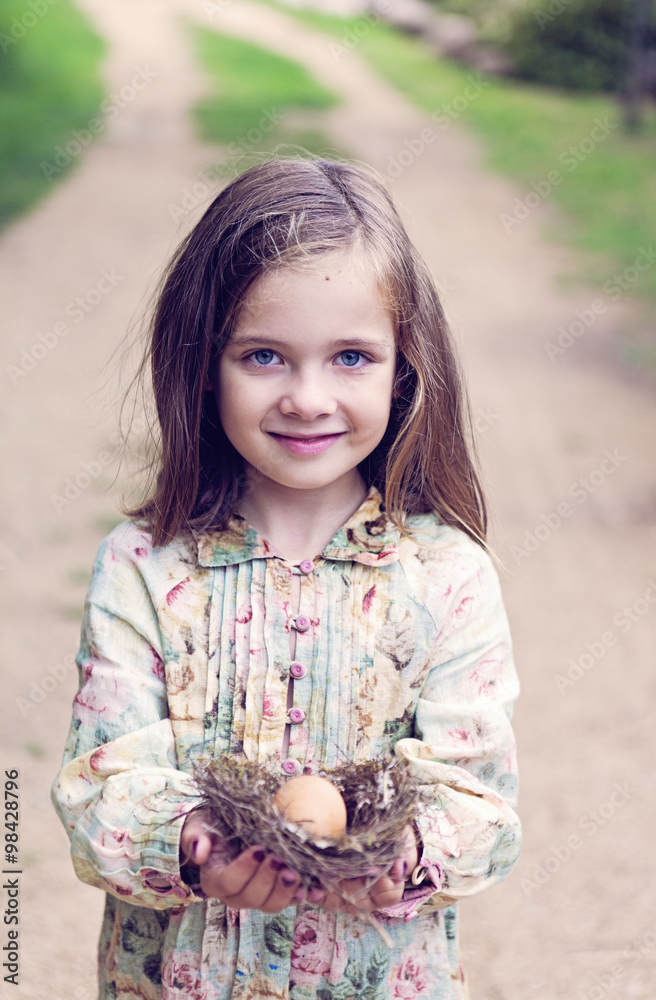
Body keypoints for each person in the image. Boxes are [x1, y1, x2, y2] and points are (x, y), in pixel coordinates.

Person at [52, 155, 521, 1000]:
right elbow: (97, 793)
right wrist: (193, 843)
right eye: (263, 355)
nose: (308, 398)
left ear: (402, 367)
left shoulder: (446, 575)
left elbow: (480, 798)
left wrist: (402, 856)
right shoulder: (145, 568)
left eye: (350, 357)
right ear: (202, 363)